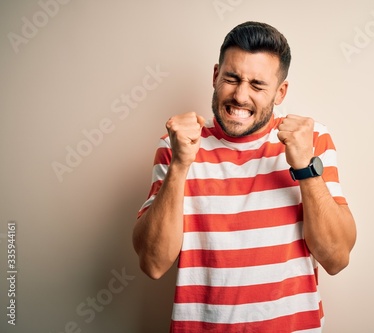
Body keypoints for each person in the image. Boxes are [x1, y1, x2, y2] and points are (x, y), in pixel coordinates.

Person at [132, 21, 356, 333]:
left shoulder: (312, 139)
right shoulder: (179, 144)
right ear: (215, 76)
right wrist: (181, 165)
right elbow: (153, 264)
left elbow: (336, 258)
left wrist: (305, 166)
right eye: (232, 78)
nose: (240, 96)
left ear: (280, 92)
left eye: (257, 85)